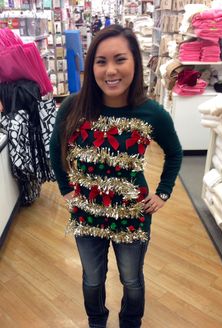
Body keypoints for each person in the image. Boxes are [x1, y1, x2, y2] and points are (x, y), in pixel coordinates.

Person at [50, 25, 182, 328]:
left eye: (120, 59)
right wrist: (65, 189)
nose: (111, 70)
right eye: (101, 61)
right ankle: (97, 322)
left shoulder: (152, 113)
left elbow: (175, 153)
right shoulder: (73, 106)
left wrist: (163, 192)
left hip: (132, 215)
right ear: (91, 65)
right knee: (93, 280)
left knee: (132, 279)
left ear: (135, 62)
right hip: (87, 214)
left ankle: (130, 323)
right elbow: (55, 149)